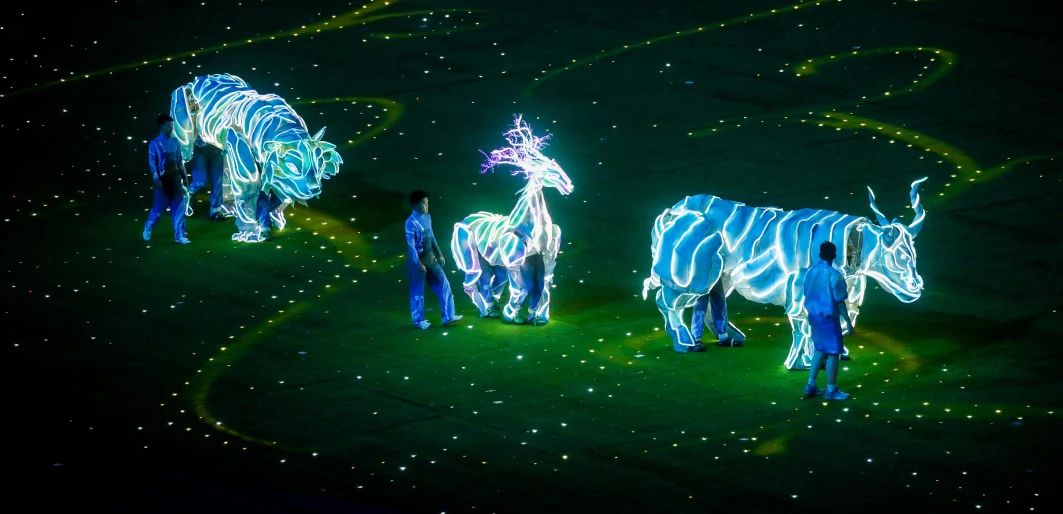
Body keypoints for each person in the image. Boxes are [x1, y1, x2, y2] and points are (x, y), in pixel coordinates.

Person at [802, 241, 854, 400]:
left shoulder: (810, 271)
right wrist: (848, 322)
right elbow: (840, 301)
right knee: (833, 352)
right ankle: (831, 389)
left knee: (819, 349)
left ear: (820, 254)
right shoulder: (834, 275)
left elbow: (805, 292)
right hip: (829, 319)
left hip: (813, 316)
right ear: (834, 256)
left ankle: (810, 385)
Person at [405, 190, 462, 329]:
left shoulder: (427, 217)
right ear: (415, 205)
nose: (427, 206)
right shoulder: (410, 223)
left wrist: (439, 254)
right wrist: (418, 264)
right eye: (424, 203)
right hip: (417, 262)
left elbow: (432, 237)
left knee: (444, 285)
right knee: (417, 292)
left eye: (427, 203)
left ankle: (448, 316)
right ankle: (418, 321)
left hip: (430, 258)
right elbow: (411, 246)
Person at [143, 114, 190, 244]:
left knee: (178, 209)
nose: (171, 127)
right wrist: (156, 179)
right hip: (162, 182)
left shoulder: (175, 142)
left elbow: (179, 161)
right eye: (168, 125)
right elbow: (152, 163)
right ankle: (149, 226)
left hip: (176, 180)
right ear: (161, 126)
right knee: (158, 209)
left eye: (172, 125)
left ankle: (179, 236)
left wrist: (184, 176)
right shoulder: (154, 143)